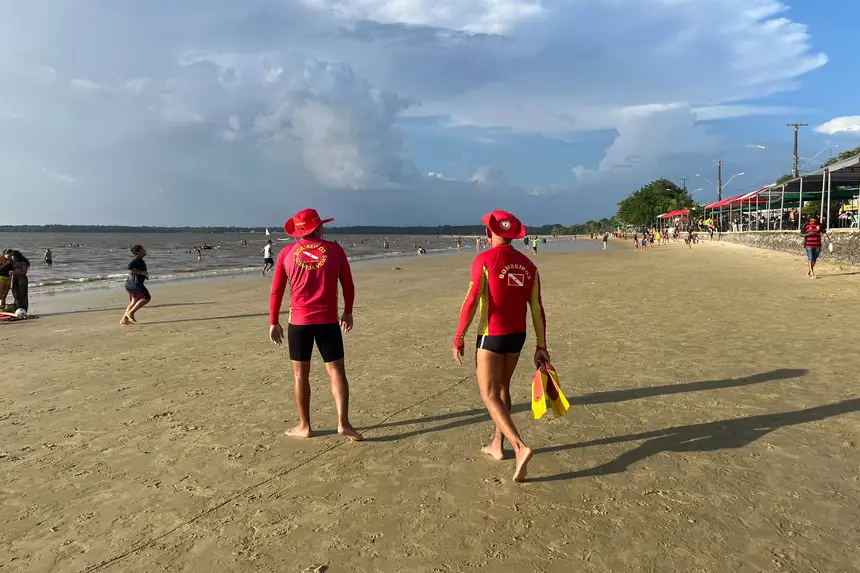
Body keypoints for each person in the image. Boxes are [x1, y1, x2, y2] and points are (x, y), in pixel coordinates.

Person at [452, 210, 550, 483]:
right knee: (503, 388)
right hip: (518, 336)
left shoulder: (484, 260)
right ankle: (498, 446)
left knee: (488, 394)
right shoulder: (529, 265)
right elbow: (537, 307)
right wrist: (541, 344)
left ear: (488, 233)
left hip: (491, 336)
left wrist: (459, 336)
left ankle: (519, 447)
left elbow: (472, 300)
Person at [269, 208, 361, 441]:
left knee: (300, 375)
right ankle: (343, 423)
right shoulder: (335, 250)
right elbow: (348, 285)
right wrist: (347, 312)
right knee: (336, 371)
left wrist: (273, 321)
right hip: (328, 320)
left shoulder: (287, 253)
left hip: (298, 322)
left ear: (299, 232)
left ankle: (305, 426)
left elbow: (277, 291)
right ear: (319, 228)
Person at [121, 245, 150, 325]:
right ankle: (131, 313)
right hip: (135, 284)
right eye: (142, 250)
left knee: (134, 301)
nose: (144, 250)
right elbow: (129, 266)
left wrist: (144, 275)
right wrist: (141, 272)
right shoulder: (137, 259)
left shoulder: (139, 260)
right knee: (147, 298)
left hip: (130, 283)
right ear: (138, 252)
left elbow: (135, 270)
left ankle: (124, 320)